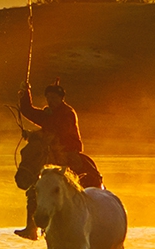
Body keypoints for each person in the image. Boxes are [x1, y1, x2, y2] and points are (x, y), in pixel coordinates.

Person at [14, 79, 100, 239]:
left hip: (68, 152)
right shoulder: (49, 114)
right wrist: (25, 93)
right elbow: (28, 110)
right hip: (52, 153)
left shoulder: (67, 113)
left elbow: (58, 131)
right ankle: (31, 227)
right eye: (49, 98)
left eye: (54, 98)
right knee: (35, 187)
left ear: (61, 99)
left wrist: (33, 134)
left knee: (80, 174)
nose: (51, 101)